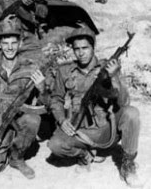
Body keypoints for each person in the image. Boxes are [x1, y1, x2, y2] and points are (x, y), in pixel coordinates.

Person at [47, 27, 141, 187]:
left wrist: (114, 78)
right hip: (80, 129)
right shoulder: (64, 71)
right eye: (77, 49)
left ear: (93, 48)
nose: (81, 53)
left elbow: (124, 102)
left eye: (85, 48)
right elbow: (55, 99)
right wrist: (62, 120)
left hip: (108, 129)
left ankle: (128, 164)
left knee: (132, 113)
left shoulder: (107, 68)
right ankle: (85, 155)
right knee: (55, 145)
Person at [0, 15, 47, 179]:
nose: (9, 47)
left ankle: (17, 158)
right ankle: (4, 145)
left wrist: (42, 88)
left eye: (14, 43)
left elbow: (46, 103)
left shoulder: (31, 68)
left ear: (20, 43)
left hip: (19, 121)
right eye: (5, 43)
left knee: (33, 120)